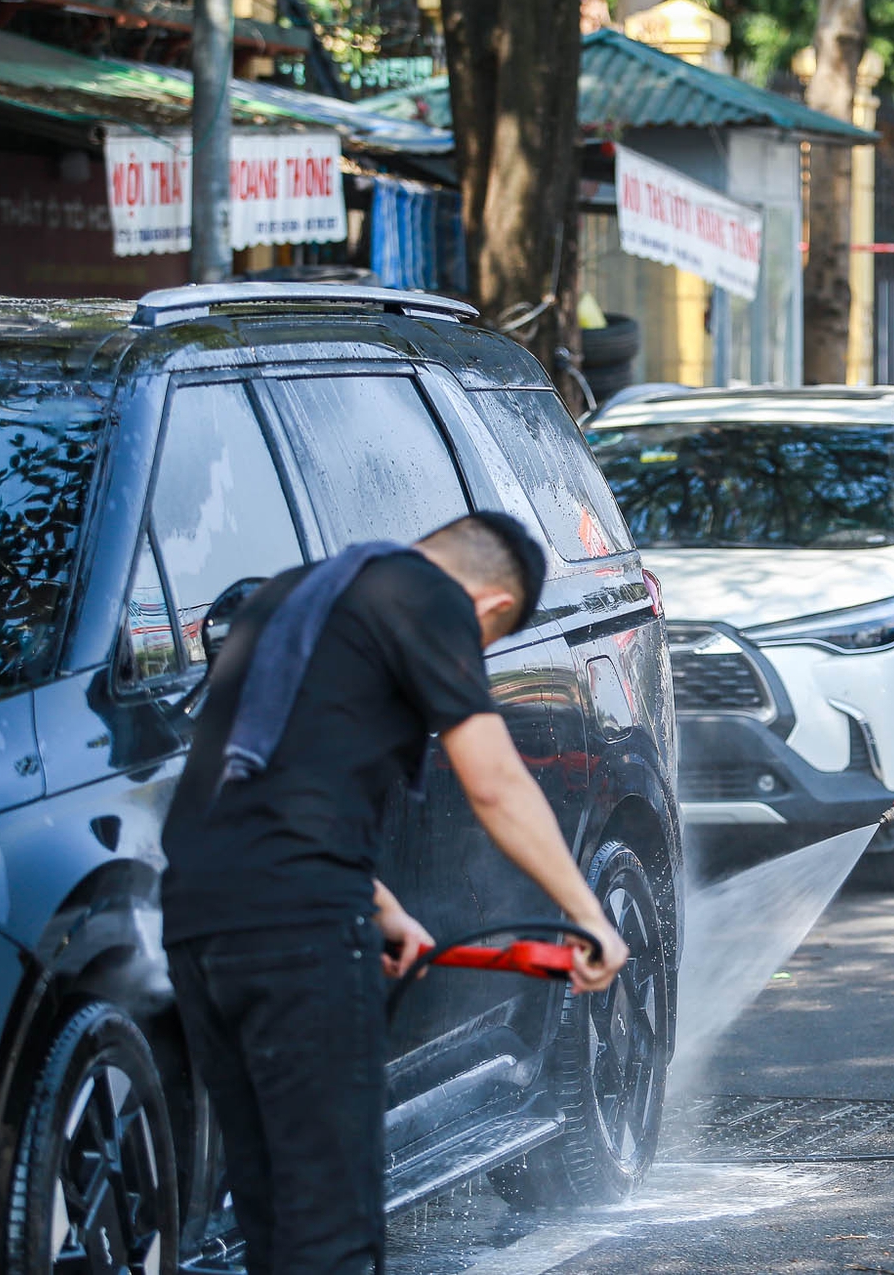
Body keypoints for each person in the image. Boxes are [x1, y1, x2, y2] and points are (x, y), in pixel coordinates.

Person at [160, 512, 629, 1275]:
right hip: (300, 931)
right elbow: (496, 781)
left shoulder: (292, 598)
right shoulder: (431, 599)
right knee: (335, 1225)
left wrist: (380, 907)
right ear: (487, 610)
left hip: (201, 922)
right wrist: (587, 915)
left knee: (273, 1208)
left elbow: (262, 782)